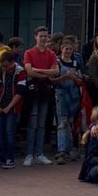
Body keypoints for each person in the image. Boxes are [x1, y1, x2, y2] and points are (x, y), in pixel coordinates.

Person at [22, 27, 58, 167]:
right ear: (35, 37)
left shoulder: (51, 54)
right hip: (33, 91)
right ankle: (30, 154)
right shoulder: (29, 53)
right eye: (41, 36)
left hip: (46, 91)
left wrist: (38, 71)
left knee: (42, 124)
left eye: (45, 36)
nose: (43, 38)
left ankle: (39, 153)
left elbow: (56, 71)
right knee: (33, 124)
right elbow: (29, 71)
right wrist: (46, 74)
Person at [0, 50, 26, 169]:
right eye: (3, 66)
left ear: (12, 63)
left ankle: (9, 158)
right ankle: (0, 158)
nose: (4, 68)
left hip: (12, 106)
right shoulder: (1, 70)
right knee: (0, 134)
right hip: (1, 104)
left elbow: (20, 92)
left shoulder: (20, 71)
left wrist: (8, 107)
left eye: (6, 66)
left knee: (9, 133)